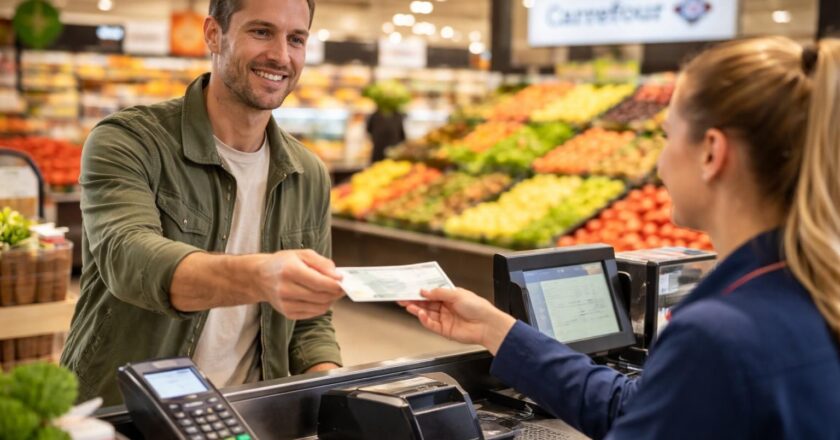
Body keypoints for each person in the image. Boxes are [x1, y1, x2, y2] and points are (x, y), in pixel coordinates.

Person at [401, 36, 840, 439]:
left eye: (666, 137)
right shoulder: (811, 288)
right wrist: (496, 328)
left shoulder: (718, 335)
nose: (661, 163)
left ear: (711, 152)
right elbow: (639, 410)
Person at [61, 0, 346, 406]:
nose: (281, 56)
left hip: (247, 415)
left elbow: (310, 323)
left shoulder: (308, 173)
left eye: (296, 39)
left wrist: (333, 386)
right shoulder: (128, 141)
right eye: (261, 31)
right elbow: (129, 258)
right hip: (124, 414)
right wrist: (262, 275)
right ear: (214, 34)